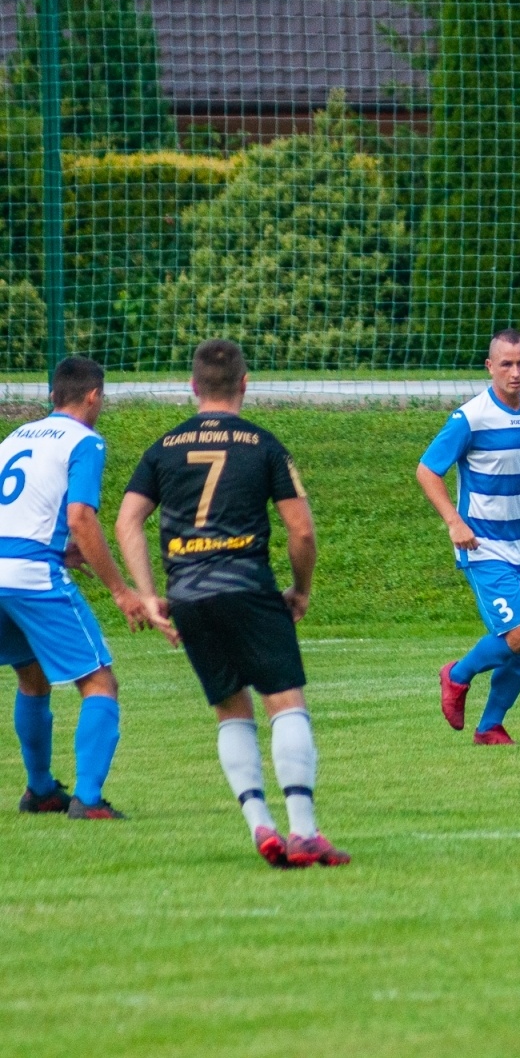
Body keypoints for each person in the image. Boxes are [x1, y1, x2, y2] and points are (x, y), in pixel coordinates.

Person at [116, 340, 348, 867]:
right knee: (285, 702)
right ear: (245, 383)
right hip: (247, 586)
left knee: (230, 711)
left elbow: (127, 520)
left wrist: (149, 594)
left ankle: (261, 826)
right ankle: (305, 832)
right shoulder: (264, 446)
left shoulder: (163, 448)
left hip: (189, 596)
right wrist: (301, 589)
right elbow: (302, 531)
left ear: (193, 387)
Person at [5, 356, 159, 820]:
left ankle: (40, 789)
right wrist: (120, 590)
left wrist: (58, 548)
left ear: (54, 394)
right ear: (93, 396)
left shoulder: (13, 438)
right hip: (32, 576)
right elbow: (81, 517)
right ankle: (88, 799)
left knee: (31, 676)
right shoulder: (85, 441)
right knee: (99, 682)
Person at [418, 328, 520, 745]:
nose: (516, 372)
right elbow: (427, 471)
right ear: (489, 367)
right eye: (507, 364)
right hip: (483, 545)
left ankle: (489, 726)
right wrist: (454, 523)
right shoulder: (470, 417)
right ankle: (456, 675)